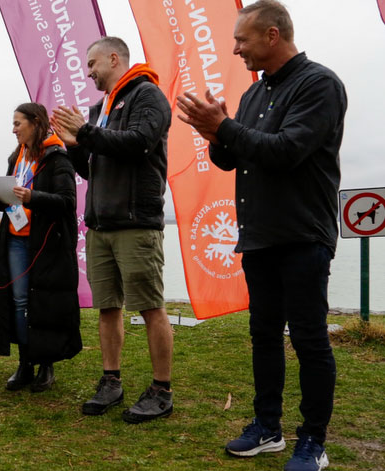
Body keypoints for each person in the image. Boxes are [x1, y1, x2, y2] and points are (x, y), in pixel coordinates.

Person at [176, 2, 346, 469]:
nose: (235, 49)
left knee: (309, 339)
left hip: (303, 235)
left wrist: (224, 127)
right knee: (264, 336)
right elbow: (232, 159)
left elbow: (286, 151)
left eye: (242, 39)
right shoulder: (254, 94)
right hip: (259, 236)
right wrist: (215, 135)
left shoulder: (319, 84)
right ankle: (268, 427)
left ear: (272, 35)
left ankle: (313, 441)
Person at [51, 36, 174, 423]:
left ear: (114, 58)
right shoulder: (99, 109)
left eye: (92, 63)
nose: (88, 72)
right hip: (100, 224)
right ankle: (111, 381)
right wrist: (74, 145)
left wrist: (85, 134)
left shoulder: (147, 95)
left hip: (136, 223)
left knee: (150, 307)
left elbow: (139, 143)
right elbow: (91, 168)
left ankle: (162, 389)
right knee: (108, 307)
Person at [0, 103, 81, 392]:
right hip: (15, 238)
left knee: (45, 303)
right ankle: (25, 362)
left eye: (18, 123)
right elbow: (12, 202)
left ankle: (46, 365)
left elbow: (67, 202)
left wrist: (32, 197)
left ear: (35, 123)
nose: (13, 129)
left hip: (46, 243)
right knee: (19, 301)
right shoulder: (16, 156)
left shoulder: (57, 157)